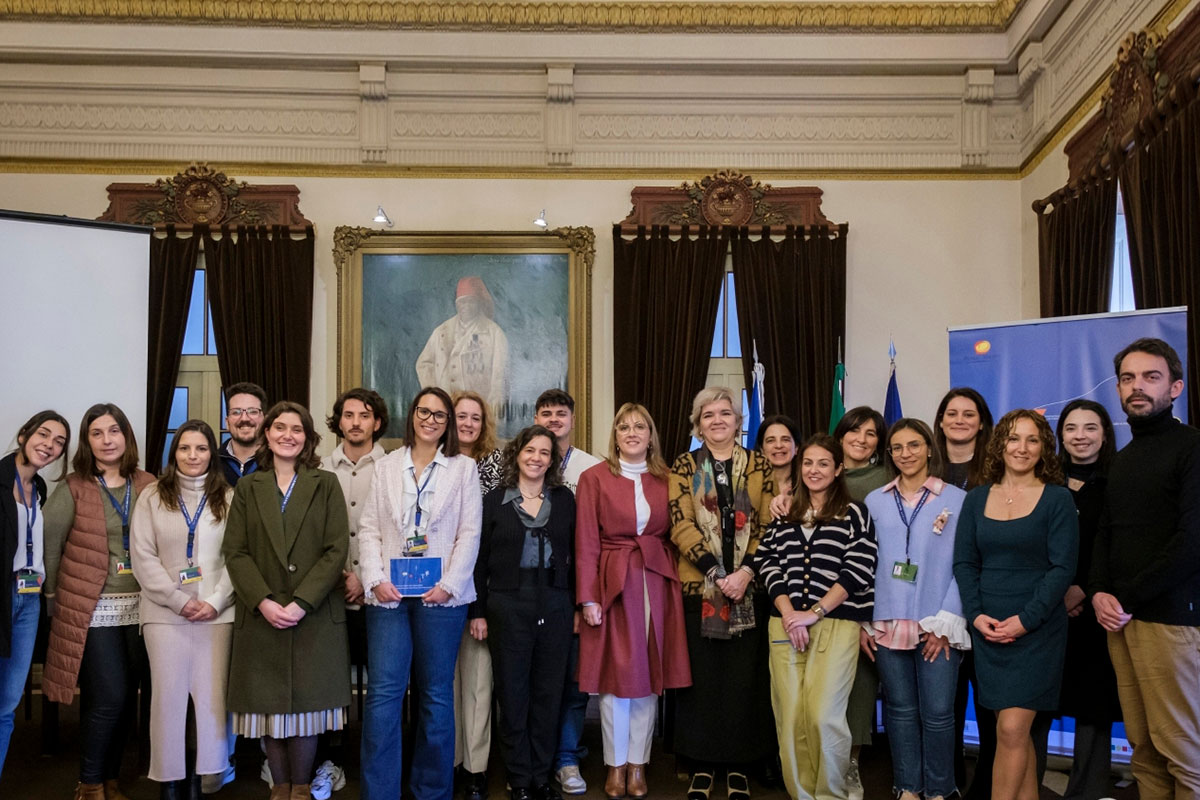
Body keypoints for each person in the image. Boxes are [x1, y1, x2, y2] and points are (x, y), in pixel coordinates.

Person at [356, 387, 482, 800]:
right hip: (388, 596)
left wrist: (448, 586)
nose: (431, 419)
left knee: (435, 696)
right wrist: (374, 579)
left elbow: (469, 533)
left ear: (448, 424)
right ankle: (381, 793)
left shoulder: (463, 468)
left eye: (440, 415)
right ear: (412, 416)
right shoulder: (386, 466)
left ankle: (431, 791)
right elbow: (371, 528)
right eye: (424, 412)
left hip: (441, 599)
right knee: (384, 697)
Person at [221, 401, 351, 800]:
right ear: (267, 434)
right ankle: (279, 788)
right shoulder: (248, 487)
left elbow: (335, 550)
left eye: (296, 429)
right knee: (268, 710)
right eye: (279, 427)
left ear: (308, 438)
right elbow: (236, 551)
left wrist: (301, 603)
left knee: (307, 711)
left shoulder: (325, 483)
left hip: (311, 614)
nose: (287, 435)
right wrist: (262, 601)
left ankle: (300, 789)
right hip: (262, 615)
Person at [1090, 337, 1200, 799]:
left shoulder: (1191, 447)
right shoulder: (1122, 458)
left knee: (1184, 755)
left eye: (1150, 377)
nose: (1137, 387)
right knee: (1143, 751)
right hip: (1121, 621)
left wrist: (1128, 599)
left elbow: (1193, 541)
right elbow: (1106, 532)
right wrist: (1098, 591)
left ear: (1175, 387)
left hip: (1170, 620)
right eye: (1128, 378)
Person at [953, 409, 1077, 800]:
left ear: (1044, 449)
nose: (1021, 448)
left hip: (1036, 631)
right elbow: (965, 563)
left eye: (1032, 440)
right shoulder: (975, 500)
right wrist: (976, 616)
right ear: (1000, 444)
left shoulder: (1057, 499)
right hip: (989, 628)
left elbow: (1062, 569)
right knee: (1014, 736)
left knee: (1010, 730)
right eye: (1013, 438)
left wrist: (1025, 621)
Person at [576, 404, 692, 800]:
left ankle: (638, 763)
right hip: (612, 581)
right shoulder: (594, 478)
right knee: (615, 679)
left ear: (650, 434)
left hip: (657, 580)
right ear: (615, 435)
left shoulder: (670, 479)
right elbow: (587, 540)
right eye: (623, 426)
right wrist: (588, 597)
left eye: (639, 425)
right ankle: (615, 765)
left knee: (647, 680)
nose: (631, 432)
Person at [753, 434, 876, 800]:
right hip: (785, 624)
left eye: (824, 463)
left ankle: (832, 794)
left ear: (838, 469)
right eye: (808, 463)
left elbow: (859, 569)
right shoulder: (784, 513)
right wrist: (791, 614)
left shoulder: (855, 513)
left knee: (824, 715)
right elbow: (766, 561)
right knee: (790, 718)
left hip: (836, 624)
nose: (814, 470)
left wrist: (814, 613)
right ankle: (802, 795)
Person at [43, 403, 156, 800]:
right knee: (108, 695)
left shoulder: (147, 483)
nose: (107, 440)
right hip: (93, 608)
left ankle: (110, 779)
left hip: (143, 607)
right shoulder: (74, 486)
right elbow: (51, 547)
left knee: (127, 698)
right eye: (97, 433)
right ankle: (89, 784)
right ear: (87, 441)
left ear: (126, 435)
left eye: (114, 431)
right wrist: (55, 599)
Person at [668, 386, 775, 800]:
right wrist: (717, 572)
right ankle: (702, 765)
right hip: (700, 587)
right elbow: (679, 523)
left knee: (743, 680)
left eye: (725, 413)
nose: (717, 421)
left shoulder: (760, 465)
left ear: (737, 421)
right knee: (705, 680)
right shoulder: (684, 464)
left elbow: (768, 526)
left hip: (750, 587)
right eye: (708, 415)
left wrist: (745, 572)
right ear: (698, 423)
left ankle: (738, 767)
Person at [863, 419, 969, 800]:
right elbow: (863, 563)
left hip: (936, 622)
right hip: (887, 618)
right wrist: (865, 621)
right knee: (900, 711)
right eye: (896, 447)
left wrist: (947, 621)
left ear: (929, 447)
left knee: (939, 713)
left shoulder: (956, 499)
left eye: (913, 445)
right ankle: (908, 786)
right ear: (889, 454)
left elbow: (966, 563)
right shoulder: (875, 500)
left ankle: (940, 789)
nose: (905, 453)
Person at [130, 420, 235, 800]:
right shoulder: (152, 496)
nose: (193, 456)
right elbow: (143, 557)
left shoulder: (230, 496)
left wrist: (214, 601)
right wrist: (178, 600)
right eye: (185, 449)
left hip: (216, 615)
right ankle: (169, 783)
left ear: (212, 453)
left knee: (211, 702)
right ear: (173, 454)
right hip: (164, 615)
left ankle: (203, 780)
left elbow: (237, 560)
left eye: (201, 449)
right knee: (167, 700)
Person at [470, 425, 575, 800]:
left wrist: (576, 606)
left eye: (544, 452)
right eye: (529, 450)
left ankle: (541, 776)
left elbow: (576, 556)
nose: (536, 458)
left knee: (549, 693)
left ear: (553, 460)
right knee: (513, 694)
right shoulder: (494, 500)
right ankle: (519, 778)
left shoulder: (564, 499)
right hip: (506, 606)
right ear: (517, 455)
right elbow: (478, 561)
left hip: (556, 603)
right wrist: (477, 612)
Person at [316, 387, 390, 800]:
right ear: (339, 421)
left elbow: (394, 532)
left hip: (379, 593)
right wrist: (342, 575)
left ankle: (378, 763)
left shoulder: (394, 468)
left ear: (377, 422)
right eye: (349, 415)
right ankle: (332, 759)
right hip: (331, 594)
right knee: (332, 684)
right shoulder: (320, 468)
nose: (356, 422)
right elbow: (315, 536)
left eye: (365, 415)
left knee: (382, 685)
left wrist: (367, 577)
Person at [534, 389, 601, 795]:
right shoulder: (521, 464)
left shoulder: (592, 470)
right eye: (546, 413)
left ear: (572, 420)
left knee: (574, 683)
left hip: (576, 589)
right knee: (535, 682)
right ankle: (537, 758)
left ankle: (568, 758)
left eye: (561, 413)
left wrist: (585, 597)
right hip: (529, 591)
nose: (554, 419)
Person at [1054, 399, 1121, 800]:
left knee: (1094, 706)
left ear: (1104, 434)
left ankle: (1088, 790)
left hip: (1098, 609)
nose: (1080, 436)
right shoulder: (1043, 481)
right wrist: (1059, 590)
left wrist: (1085, 588)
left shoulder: (1120, 480)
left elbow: (1121, 543)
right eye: (1072, 428)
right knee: (1041, 704)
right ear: (1060, 435)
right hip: (1048, 609)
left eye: (1090, 427)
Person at [933, 387, 997, 797]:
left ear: (981, 422)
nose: (959, 420)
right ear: (940, 421)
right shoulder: (924, 469)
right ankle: (949, 785)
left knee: (991, 710)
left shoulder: (997, 471)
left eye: (968, 414)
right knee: (945, 709)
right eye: (951, 413)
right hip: (937, 609)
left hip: (988, 603)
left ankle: (987, 787)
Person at [0, 410, 70, 778]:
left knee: (8, 703)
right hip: (3, 594)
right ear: (25, 434)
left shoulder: (39, 489)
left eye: (59, 442)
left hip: (29, 601)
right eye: (44, 435)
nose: (50, 445)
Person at [831, 405, 888, 800]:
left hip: (873, 598)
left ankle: (851, 763)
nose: (862, 440)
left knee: (861, 688)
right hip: (823, 598)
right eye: (855, 431)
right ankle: (825, 762)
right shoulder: (821, 473)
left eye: (871, 433)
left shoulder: (889, 478)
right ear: (840, 435)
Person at [452, 389, 504, 800]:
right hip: (433, 590)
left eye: (475, 417)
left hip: (479, 590)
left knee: (477, 684)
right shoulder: (431, 463)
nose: (467, 423)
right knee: (440, 685)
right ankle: (446, 760)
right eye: (460, 416)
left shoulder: (497, 468)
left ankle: (475, 768)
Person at [416, 276, 510, 414]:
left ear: (479, 303)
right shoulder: (441, 331)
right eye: (461, 302)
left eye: (470, 302)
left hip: (477, 412)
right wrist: (435, 396)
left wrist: (491, 415)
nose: (465, 306)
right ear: (456, 304)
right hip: (446, 410)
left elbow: (500, 379)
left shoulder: (494, 333)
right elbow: (423, 363)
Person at [219, 382, 268, 487]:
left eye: (253, 412)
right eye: (236, 412)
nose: (244, 418)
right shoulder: (212, 463)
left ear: (265, 420)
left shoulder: (277, 461)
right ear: (227, 422)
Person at [756, 415, 799, 498]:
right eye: (770, 441)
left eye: (785, 440)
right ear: (762, 449)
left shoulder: (808, 485)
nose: (779, 446)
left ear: (796, 447)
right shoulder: (749, 484)